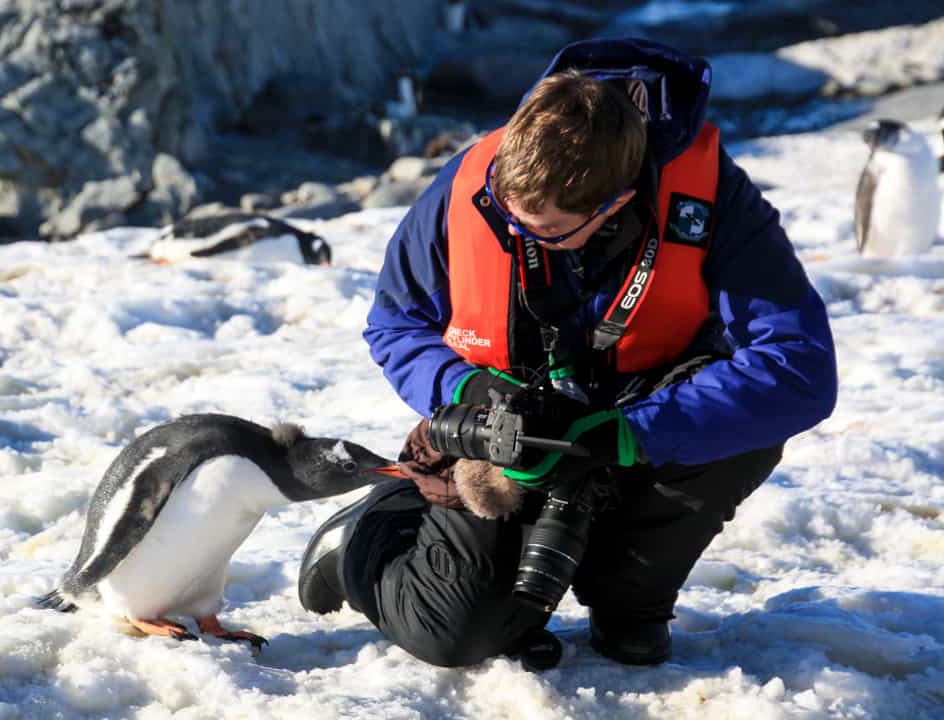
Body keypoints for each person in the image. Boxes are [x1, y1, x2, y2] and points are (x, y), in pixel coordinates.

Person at [298, 37, 837, 669]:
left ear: (616, 203)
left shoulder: (711, 195)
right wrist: (466, 392)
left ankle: (630, 600)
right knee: (456, 636)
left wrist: (631, 433)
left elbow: (798, 367)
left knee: (740, 423)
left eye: (546, 229)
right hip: (505, 434)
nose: (518, 232)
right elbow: (396, 324)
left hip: (638, 422)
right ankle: (368, 539)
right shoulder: (476, 180)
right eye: (509, 214)